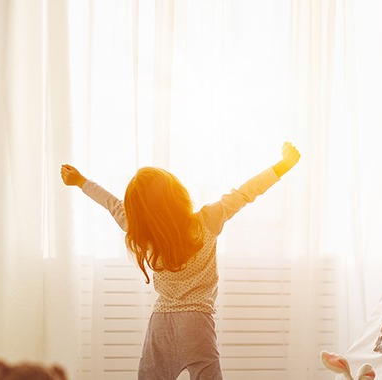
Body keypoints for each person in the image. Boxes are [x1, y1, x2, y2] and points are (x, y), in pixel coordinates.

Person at [60, 142, 301, 380]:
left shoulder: (142, 232)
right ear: (178, 194)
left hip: (161, 322)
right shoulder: (207, 220)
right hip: (197, 321)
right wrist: (282, 166)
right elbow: (246, 192)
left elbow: (113, 205)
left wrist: (81, 182)